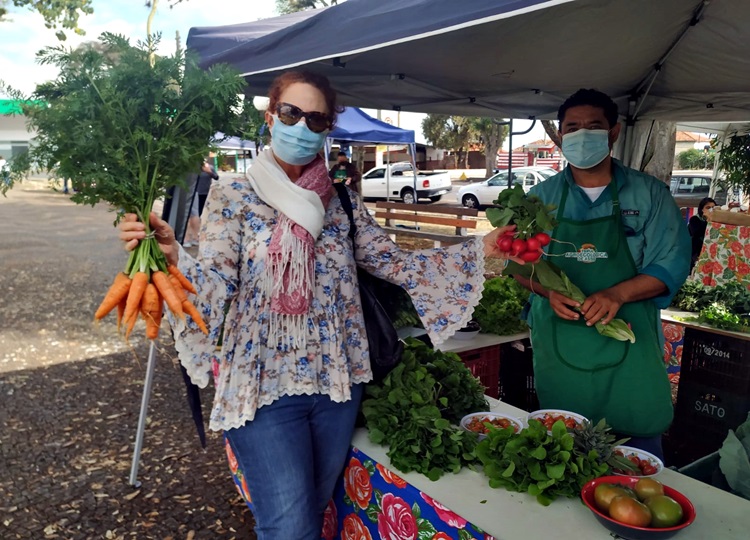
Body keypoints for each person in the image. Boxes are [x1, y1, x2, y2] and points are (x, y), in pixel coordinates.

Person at [120, 70, 511, 539]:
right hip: (262, 387)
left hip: (336, 383)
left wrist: (478, 250)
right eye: (291, 113)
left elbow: (392, 261)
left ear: (328, 128)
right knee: (288, 528)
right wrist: (171, 256)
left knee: (317, 509)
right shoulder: (233, 195)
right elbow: (216, 284)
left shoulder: (342, 199)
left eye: (317, 119)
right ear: (271, 117)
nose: (302, 127)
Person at [515, 89, 691, 459]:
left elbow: (671, 263)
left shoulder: (649, 195)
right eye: (572, 127)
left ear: (613, 133)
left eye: (593, 126)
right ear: (561, 136)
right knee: (559, 452)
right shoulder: (539, 198)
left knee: (636, 456)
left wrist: (618, 294)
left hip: (630, 340)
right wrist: (548, 293)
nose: (581, 135)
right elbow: (519, 265)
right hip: (560, 338)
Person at [184, 157, 220, 247]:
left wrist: (208, 171)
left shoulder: (209, 167)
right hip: (194, 193)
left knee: (199, 215)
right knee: (191, 215)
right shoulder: (191, 169)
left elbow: (216, 177)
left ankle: (195, 237)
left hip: (205, 194)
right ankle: (189, 237)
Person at [688, 197, 716, 270]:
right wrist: (707, 219)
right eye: (708, 207)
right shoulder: (694, 219)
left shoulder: (716, 223)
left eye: (713, 207)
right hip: (695, 253)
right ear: (702, 209)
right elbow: (697, 233)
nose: (711, 210)